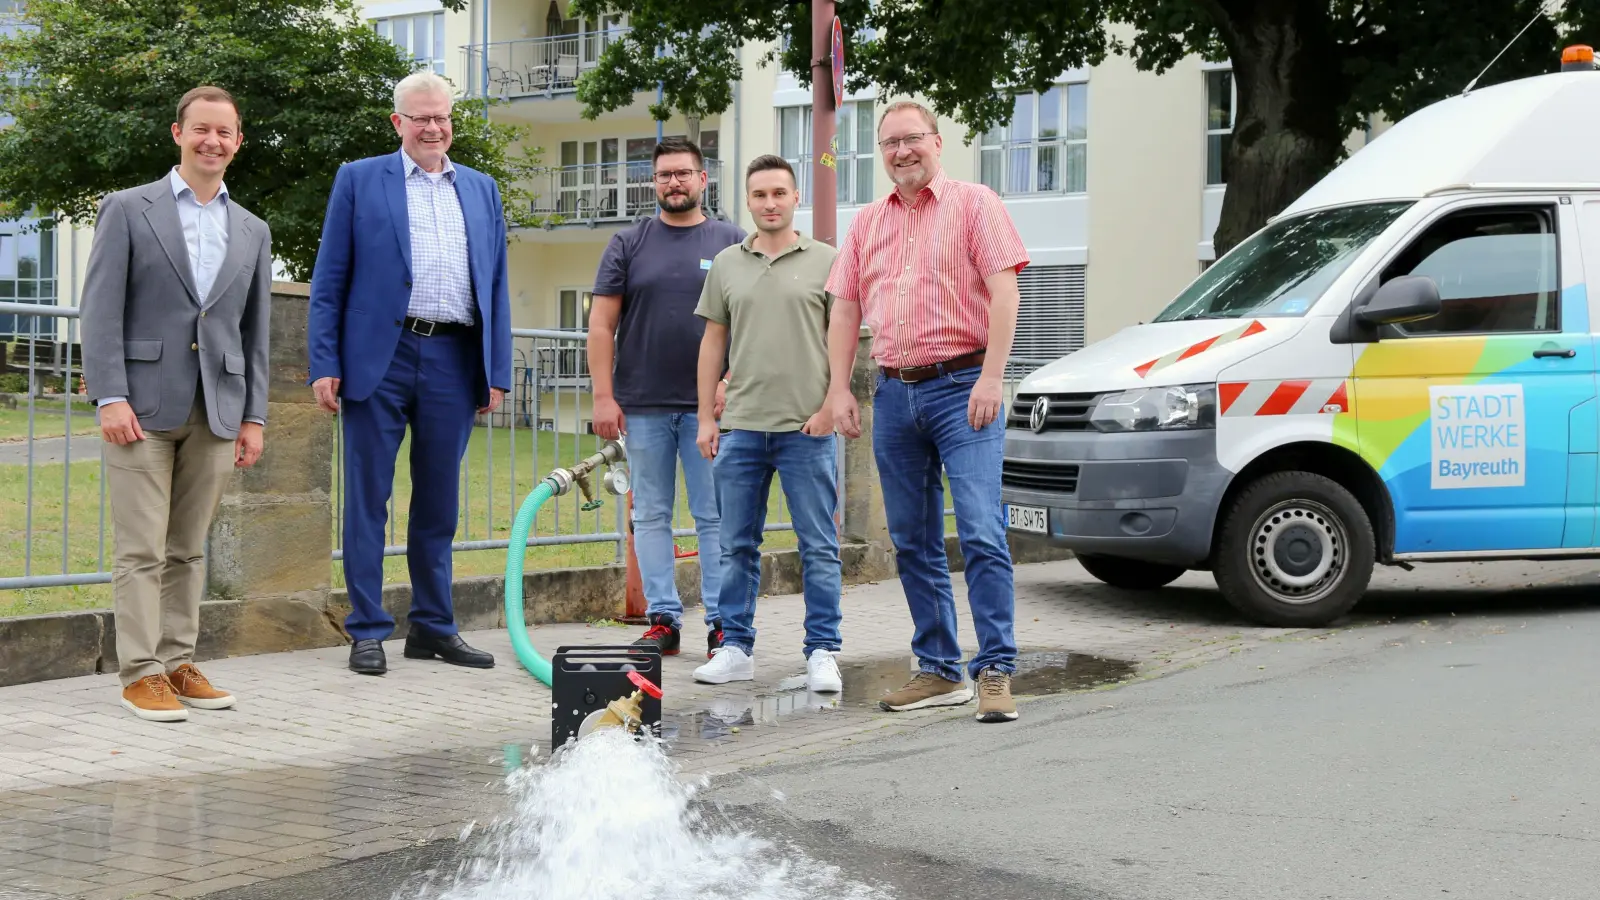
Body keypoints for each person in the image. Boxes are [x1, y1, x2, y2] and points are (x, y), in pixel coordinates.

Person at [824, 101, 1029, 723]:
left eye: (911, 139)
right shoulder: (866, 224)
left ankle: (994, 669)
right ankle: (939, 670)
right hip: (894, 392)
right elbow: (843, 310)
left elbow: (1004, 292)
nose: (900, 151)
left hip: (964, 386)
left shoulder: (975, 204)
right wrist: (840, 390)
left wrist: (992, 377)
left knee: (979, 530)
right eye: (888, 143)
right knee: (911, 540)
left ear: (937, 142)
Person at [307, 71, 511, 676]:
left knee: (440, 503)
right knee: (369, 499)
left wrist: (494, 369)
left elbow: (496, 284)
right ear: (398, 122)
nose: (432, 127)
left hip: (453, 356)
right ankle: (367, 630)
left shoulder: (481, 189)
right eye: (420, 117)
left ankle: (432, 627)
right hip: (380, 357)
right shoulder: (359, 179)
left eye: (441, 116)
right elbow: (329, 279)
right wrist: (326, 361)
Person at [80, 85, 272, 722]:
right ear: (178, 134)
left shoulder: (252, 229)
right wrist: (109, 394)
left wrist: (253, 416)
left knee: (189, 549)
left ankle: (177, 661)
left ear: (238, 141)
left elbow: (255, 331)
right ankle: (140, 674)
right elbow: (101, 309)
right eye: (201, 130)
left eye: (225, 132)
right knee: (141, 549)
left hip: (217, 409)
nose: (212, 141)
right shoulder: (129, 209)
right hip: (139, 406)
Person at [587, 136, 744, 659]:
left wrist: (727, 385)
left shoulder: (731, 241)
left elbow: (749, 324)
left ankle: (723, 623)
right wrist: (604, 397)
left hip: (710, 410)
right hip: (644, 404)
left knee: (714, 516)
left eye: (683, 173)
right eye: (663, 175)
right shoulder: (628, 243)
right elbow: (601, 325)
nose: (673, 182)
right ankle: (663, 620)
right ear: (653, 183)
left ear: (703, 179)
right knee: (650, 515)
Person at [690, 155, 844, 692]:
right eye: (759, 195)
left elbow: (841, 340)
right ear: (748, 201)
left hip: (807, 428)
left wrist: (831, 405)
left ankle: (822, 651)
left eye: (779, 193)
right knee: (736, 546)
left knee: (818, 546)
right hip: (740, 428)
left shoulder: (828, 260)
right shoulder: (727, 263)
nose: (769, 203)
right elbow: (712, 343)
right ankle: (735, 647)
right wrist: (707, 419)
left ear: (794, 197)